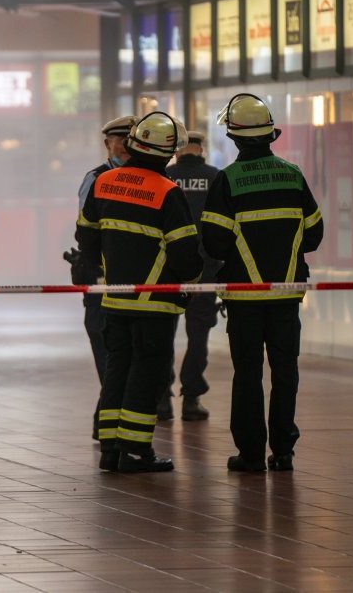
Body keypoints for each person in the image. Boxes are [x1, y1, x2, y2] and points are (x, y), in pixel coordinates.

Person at [201, 93, 323, 473]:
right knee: (286, 371)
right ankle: (283, 451)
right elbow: (314, 234)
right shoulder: (293, 175)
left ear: (235, 138)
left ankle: (251, 453)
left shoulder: (228, 181)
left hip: (245, 296)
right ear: (271, 135)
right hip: (286, 296)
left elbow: (214, 241)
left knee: (248, 373)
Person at [76, 111, 202, 473]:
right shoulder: (167, 192)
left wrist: (108, 266)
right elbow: (185, 255)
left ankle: (111, 450)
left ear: (132, 144)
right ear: (168, 154)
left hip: (113, 299)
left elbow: (86, 235)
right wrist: (190, 281)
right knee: (147, 376)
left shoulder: (105, 182)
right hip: (155, 304)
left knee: (117, 370)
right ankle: (135, 451)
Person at [70, 115, 136, 438]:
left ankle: (107, 425)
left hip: (136, 283)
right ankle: (108, 427)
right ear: (106, 143)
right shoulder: (95, 179)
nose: (123, 145)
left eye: (129, 138)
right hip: (101, 282)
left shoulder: (147, 178)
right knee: (108, 355)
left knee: (125, 359)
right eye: (118, 139)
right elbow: (85, 231)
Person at [163, 129, 222, 422]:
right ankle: (191, 398)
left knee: (163, 335)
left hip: (167, 272)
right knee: (198, 336)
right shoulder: (215, 177)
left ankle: (161, 400)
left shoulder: (163, 176)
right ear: (202, 149)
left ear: (177, 151)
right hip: (206, 271)